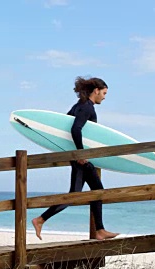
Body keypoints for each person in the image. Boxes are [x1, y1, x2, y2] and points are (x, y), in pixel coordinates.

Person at [31, 76, 119, 241]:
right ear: (96, 91)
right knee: (87, 193)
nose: (104, 97)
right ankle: (41, 220)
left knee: (90, 192)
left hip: (78, 157)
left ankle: (99, 229)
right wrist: (81, 153)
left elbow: (65, 131)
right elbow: (75, 129)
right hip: (81, 158)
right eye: (104, 93)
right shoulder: (87, 108)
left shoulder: (78, 106)